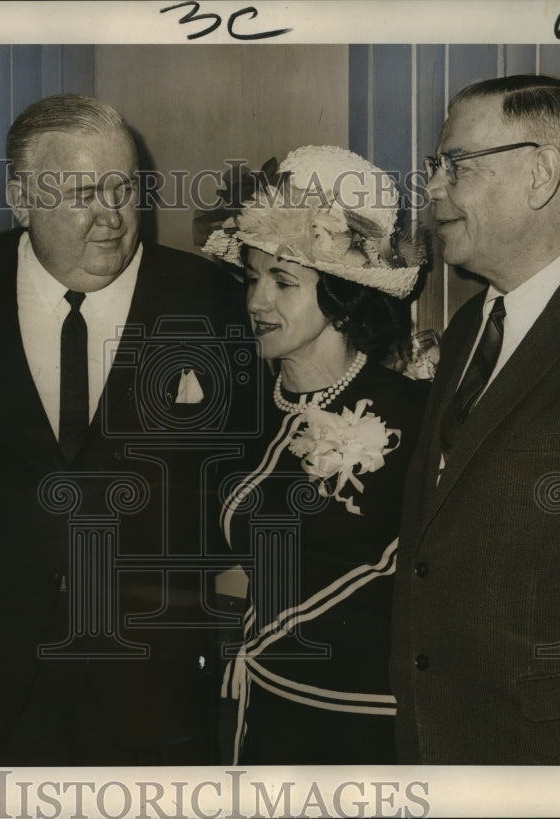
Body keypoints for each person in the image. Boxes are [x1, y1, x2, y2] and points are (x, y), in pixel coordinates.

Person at [0, 93, 254, 765]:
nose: (112, 217)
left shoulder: (210, 300)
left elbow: (242, 480)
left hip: (153, 683)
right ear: (22, 199)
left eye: (124, 188)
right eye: (84, 192)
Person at [390, 74, 560, 764]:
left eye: (455, 164)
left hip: (558, 758)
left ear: (539, 174)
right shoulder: (472, 323)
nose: (434, 187)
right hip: (434, 743)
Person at [200, 145, 429, 764]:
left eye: (283, 281)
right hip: (259, 716)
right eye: (252, 277)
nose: (255, 302)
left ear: (344, 294)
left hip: (364, 730)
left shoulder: (411, 413)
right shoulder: (244, 409)